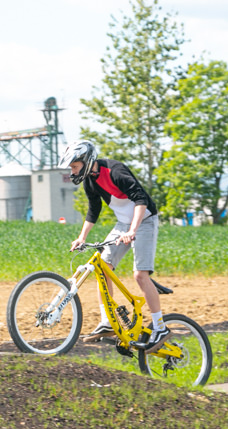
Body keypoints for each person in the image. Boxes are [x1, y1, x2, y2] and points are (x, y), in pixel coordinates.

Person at [59, 140, 171, 353]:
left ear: (86, 161)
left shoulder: (115, 171)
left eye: (74, 166)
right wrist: (82, 237)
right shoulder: (89, 181)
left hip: (144, 220)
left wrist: (132, 231)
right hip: (123, 225)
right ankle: (107, 321)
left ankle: (160, 327)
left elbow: (141, 199)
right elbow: (94, 210)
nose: (72, 171)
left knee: (140, 275)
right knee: (103, 265)